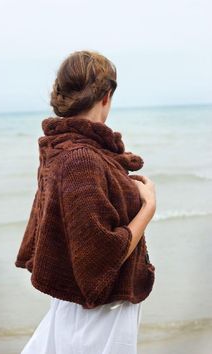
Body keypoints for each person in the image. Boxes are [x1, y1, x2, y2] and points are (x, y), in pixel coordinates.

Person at [15, 50, 156, 354]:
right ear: (106, 96)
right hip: (97, 319)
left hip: (80, 312)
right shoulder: (81, 158)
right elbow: (99, 258)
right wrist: (148, 208)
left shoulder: (66, 149)